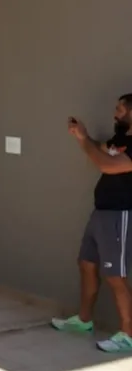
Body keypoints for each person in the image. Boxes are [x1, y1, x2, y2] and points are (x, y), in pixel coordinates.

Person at [52, 95, 132, 354]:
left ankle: (128, 334)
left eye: (120, 110)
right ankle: (84, 320)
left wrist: (85, 142)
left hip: (120, 215)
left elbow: (107, 165)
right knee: (86, 263)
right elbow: (102, 149)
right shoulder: (121, 139)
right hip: (101, 212)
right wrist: (82, 136)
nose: (115, 114)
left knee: (115, 275)